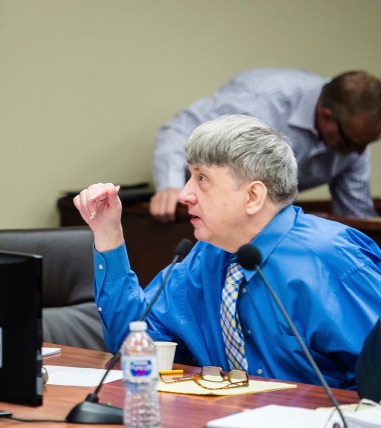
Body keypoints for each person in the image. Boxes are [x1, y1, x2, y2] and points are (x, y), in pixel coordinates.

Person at [74, 115, 381, 390]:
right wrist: (108, 234)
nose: (184, 194)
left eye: (202, 179)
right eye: (188, 176)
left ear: (253, 196)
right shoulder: (205, 257)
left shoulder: (331, 258)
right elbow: (135, 347)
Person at [149, 68, 381, 222]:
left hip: (259, 222)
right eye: (354, 142)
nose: (360, 153)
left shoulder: (353, 136)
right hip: (190, 213)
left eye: (369, 143)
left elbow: (356, 218)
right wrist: (170, 185)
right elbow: (180, 129)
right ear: (326, 116)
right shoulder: (261, 101)